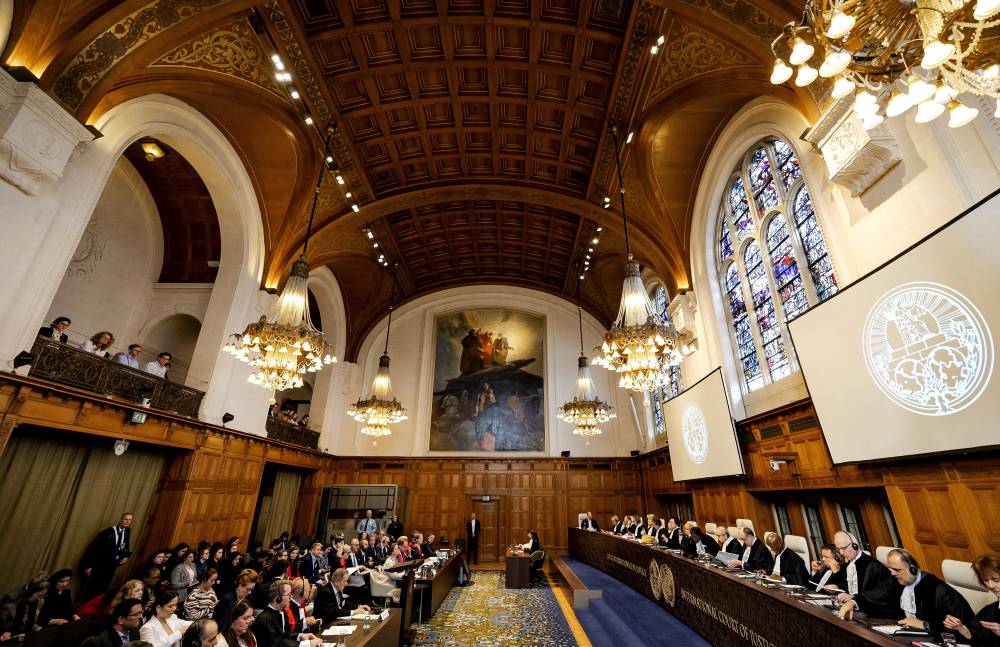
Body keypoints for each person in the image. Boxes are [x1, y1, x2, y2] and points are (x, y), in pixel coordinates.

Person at [828, 531, 901, 620]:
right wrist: (837, 587)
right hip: (854, 608)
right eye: (838, 549)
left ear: (854, 545)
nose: (841, 553)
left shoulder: (874, 566)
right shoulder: (850, 564)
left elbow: (882, 593)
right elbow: (852, 585)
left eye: (843, 548)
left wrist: (856, 599)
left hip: (874, 613)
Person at [944, 553, 1000, 645]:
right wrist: (961, 628)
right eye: (985, 580)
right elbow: (978, 636)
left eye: (996, 580)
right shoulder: (989, 611)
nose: (990, 585)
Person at [252, 581, 322, 647]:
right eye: (288, 594)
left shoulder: (281, 612)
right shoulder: (266, 620)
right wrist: (308, 644)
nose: (290, 597)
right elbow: (277, 644)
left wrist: (300, 636)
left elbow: (285, 635)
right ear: (278, 598)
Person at [81, 513, 134, 600]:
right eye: (125, 519)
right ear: (120, 519)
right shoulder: (107, 532)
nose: (127, 521)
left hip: (112, 566)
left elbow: (125, 546)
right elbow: (93, 550)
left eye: (130, 520)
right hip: (99, 565)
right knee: (92, 589)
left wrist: (126, 556)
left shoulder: (127, 531)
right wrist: (88, 566)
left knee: (103, 589)